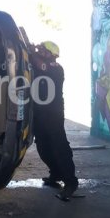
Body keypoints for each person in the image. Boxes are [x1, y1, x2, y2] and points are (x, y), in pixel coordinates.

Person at [29, 41, 78, 201]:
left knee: (59, 147)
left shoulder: (55, 68)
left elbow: (40, 64)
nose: (39, 51)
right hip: (39, 113)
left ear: (51, 55)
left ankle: (71, 183)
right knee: (43, 147)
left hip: (53, 114)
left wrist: (32, 51)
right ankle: (55, 174)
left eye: (43, 50)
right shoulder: (37, 64)